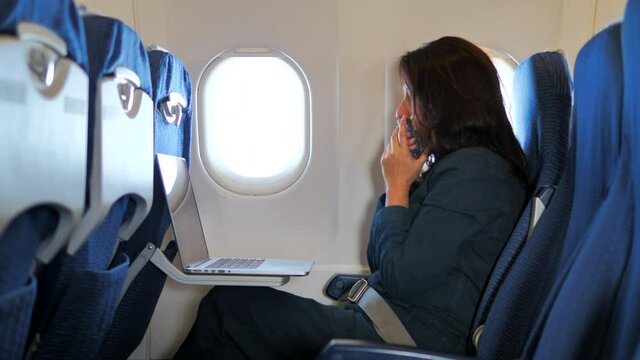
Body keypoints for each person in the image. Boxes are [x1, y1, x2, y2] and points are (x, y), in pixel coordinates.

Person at [174, 36, 527, 359]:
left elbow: (399, 276)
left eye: (409, 96)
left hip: (410, 338)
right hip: (390, 319)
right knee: (236, 331)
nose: (400, 111)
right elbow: (380, 260)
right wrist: (405, 183)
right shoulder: (460, 169)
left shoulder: (478, 173)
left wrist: (398, 186)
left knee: (227, 309)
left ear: (442, 103)